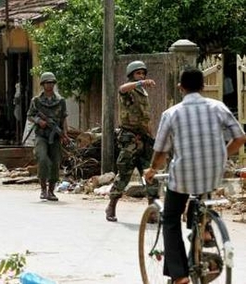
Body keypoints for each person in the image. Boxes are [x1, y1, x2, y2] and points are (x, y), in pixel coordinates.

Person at [144, 66, 246, 284]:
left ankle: (180, 275)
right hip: (213, 174)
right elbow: (239, 137)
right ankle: (204, 229)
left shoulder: (172, 113)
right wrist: (221, 154)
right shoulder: (218, 107)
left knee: (170, 218)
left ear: (181, 87)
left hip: (183, 176)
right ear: (203, 86)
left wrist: (152, 170)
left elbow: (160, 152)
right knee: (199, 199)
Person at [105, 60, 159, 222]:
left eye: (143, 73)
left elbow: (145, 117)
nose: (141, 76)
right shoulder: (128, 89)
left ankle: (152, 211)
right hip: (129, 139)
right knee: (124, 175)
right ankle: (111, 206)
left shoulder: (143, 93)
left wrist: (152, 137)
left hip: (143, 138)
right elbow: (121, 89)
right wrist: (140, 82)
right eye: (138, 73)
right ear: (131, 76)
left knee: (151, 175)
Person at [27, 72, 69, 201]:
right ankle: (43, 189)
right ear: (43, 84)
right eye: (47, 83)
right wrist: (39, 121)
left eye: (51, 83)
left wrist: (64, 134)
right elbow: (30, 115)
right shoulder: (36, 100)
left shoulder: (60, 101)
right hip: (41, 135)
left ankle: (51, 191)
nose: (49, 85)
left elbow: (64, 119)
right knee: (43, 159)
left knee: (56, 162)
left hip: (55, 136)